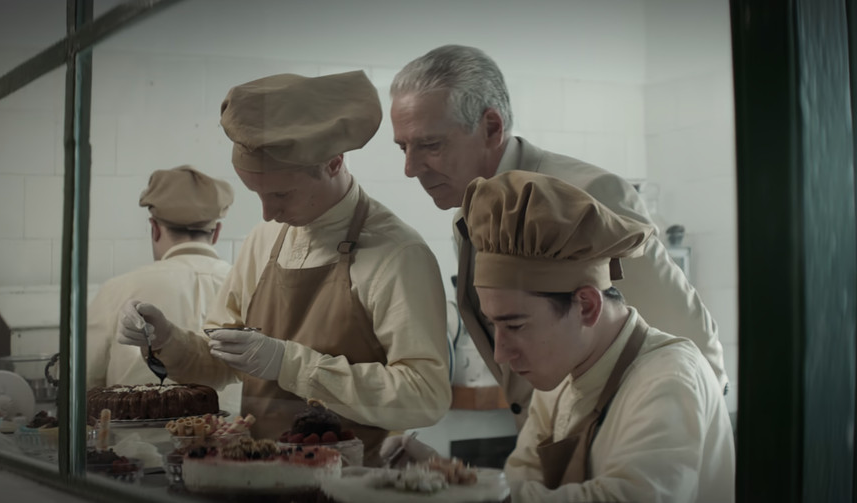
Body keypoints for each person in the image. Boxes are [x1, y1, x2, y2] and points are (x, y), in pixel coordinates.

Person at [116, 71, 452, 465]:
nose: (268, 212)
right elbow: (217, 363)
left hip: (352, 485)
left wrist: (290, 364)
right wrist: (166, 339)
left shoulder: (396, 253)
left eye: (281, 194)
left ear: (333, 163)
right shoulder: (265, 240)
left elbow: (426, 396)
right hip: (256, 478)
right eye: (257, 194)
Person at [388, 44, 728, 427]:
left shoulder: (587, 194)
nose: (411, 168)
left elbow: (691, 342)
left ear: (492, 128)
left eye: (430, 145)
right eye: (403, 147)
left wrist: (665, 455)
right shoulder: (468, 220)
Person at [393, 171, 736, 501]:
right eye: (493, 325)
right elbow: (520, 483)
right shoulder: (561, 377)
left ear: (586, 305)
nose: (500, 354)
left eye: (514, 326)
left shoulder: (669, 379)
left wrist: (470, 493)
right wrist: (444, 477)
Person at [85, 165, 234, 391]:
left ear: (154, 228)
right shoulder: (244, 285)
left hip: (134, 427)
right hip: (234, 427)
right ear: (217, 231)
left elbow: (82, 380)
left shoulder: (118, 289)